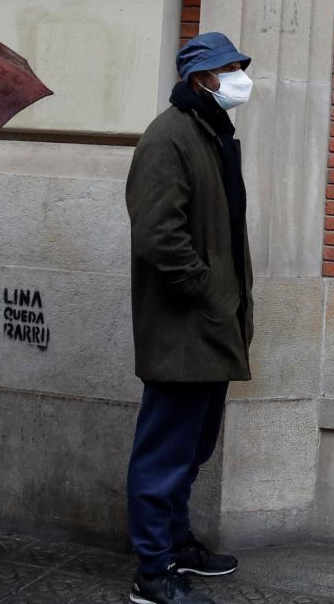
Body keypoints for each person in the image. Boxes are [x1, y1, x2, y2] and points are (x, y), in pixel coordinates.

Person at [124, 32, 257, 604]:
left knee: (194, 447)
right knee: (164, 453)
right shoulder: (169, 137)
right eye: (228, 68)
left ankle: (176, 544)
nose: (239, 77)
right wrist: (207, 292)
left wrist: (226, 303)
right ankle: (152, 572)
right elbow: (158, 236)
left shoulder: (213, 134)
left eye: (238, 66)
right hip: (184, 326)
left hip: (211, 323)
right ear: (200, 77)